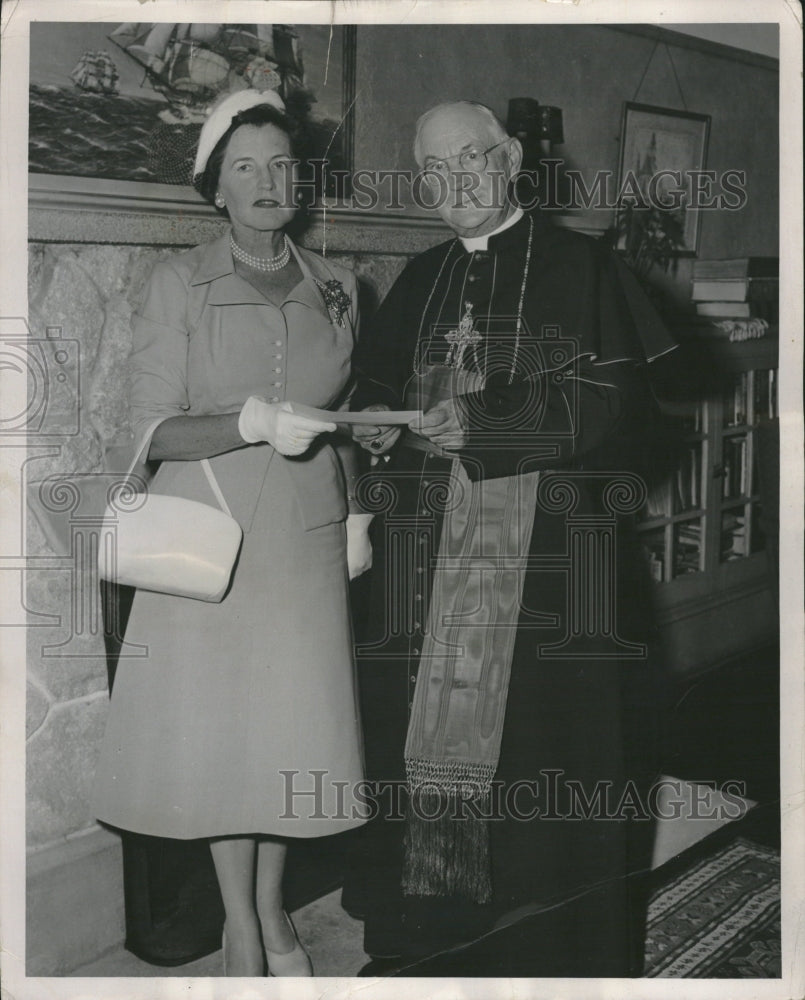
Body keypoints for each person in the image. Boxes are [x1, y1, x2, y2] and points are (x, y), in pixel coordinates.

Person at [341, 101, 678, 976]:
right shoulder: (418, 279)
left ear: (513, 158)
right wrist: (372, 428)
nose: (449, 184)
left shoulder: (583, 268)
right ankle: (435, 937)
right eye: (429, 170)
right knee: (419, 738)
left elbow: (615, 404)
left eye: (468, 161)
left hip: (548, 572)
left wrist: (486, 423)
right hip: (426, 570)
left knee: (547, 755)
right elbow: (374, 386)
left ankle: (554, 948)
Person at [92, 89, 371, 977]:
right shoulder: (177, 283)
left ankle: (274, 913)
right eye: (243, 166)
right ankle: (244, 927)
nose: (266, 181)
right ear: (215, 189)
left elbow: (349, 410)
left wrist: (358, 507)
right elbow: (144, 432)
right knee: (222, 736)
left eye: (282, 164)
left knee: (290, 734)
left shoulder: (339, 283)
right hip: (206, 538)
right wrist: (248, 422)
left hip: (305, 536)